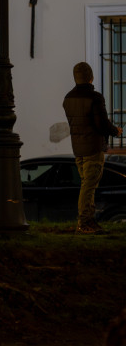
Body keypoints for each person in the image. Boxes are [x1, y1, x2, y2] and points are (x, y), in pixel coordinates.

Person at [62, 61, 122, 233]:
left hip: (78, 149)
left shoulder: (68, 98)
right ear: (91, 77)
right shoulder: (95, 97)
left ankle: (88, 221)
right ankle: (85, 222)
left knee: (87, 184)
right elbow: (101, 123)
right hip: (93, 148)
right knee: (89, 186)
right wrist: (115, 131)